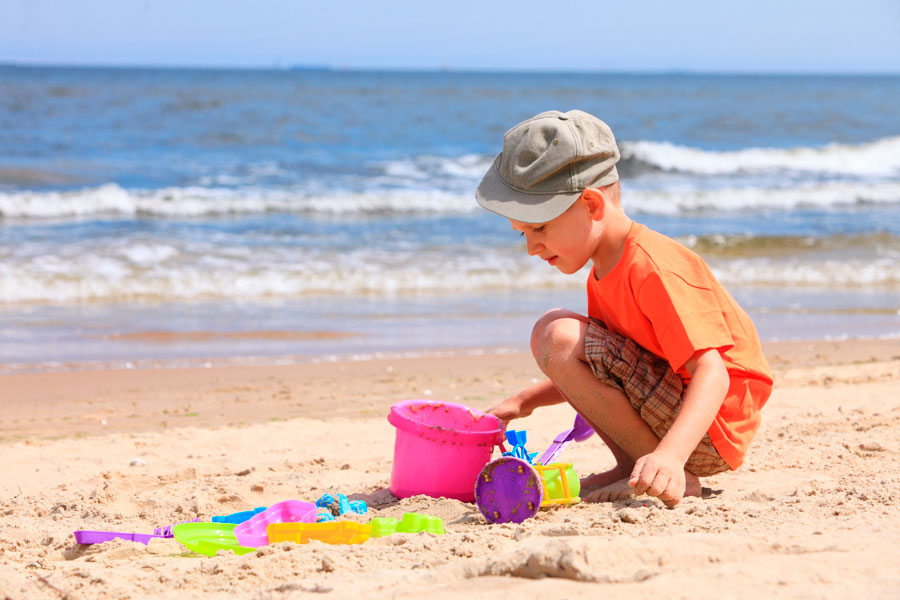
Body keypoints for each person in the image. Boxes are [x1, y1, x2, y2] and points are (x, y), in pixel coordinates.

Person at [475, 110, 773, 507]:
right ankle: (632, 462)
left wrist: (671, 456)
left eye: (540, 228)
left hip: (707, 428)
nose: (531, 247)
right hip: (682, 413)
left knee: (556, 332)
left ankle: (669, 472)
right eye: (523, 233)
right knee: (556, 334)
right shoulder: (604, 269)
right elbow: (601, 367)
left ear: (592, 204)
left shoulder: (653, 267)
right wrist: (523, 402)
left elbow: (712, 373)